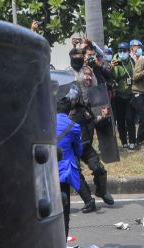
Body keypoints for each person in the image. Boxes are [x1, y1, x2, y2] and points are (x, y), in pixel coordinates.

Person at [69, 48, 115, 213]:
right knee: (74, 170)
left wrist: (101, 114)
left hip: (86, 131)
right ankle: (88, 200)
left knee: (98, 167)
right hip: (71, 133)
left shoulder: (89, 78)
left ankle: (102, 191)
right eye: (75, 56)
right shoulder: (67, 82)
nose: (78, 58)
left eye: (90, 75)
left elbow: (97, 95)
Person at [56, 95, 82, 236]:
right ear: (69, 111)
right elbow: (79, 150)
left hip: (46, 173)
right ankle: (63, 247)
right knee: (64, 213)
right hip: (63, 173)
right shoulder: (74, 126)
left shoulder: (44, 123)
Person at [111, 41, 137, 150]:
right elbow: (115, 76)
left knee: (130, 119)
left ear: (129, 51)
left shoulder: (131, 61)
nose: (122, 53)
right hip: (119, 95)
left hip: (130, 94)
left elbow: (134, 73)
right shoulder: (116, 61)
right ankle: (124, 141)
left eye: (125, 51)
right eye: (120, 51)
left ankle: (132, 141)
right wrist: (112, 69)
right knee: (121, 120)